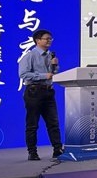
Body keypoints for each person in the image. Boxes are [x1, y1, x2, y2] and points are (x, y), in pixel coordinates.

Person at [19, 29, 64, 161]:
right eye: (46, 38)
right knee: (32, 124)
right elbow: (23, 74)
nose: (49, 41)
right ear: (38, 40)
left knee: (53, 123)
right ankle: (32, 152)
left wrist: (55, 66)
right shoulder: (30, 56)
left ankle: (57, 149)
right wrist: (44, 75)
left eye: (50, 39)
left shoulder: (50, 55)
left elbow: (53, 73)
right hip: (34, 92)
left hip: (48, 91)